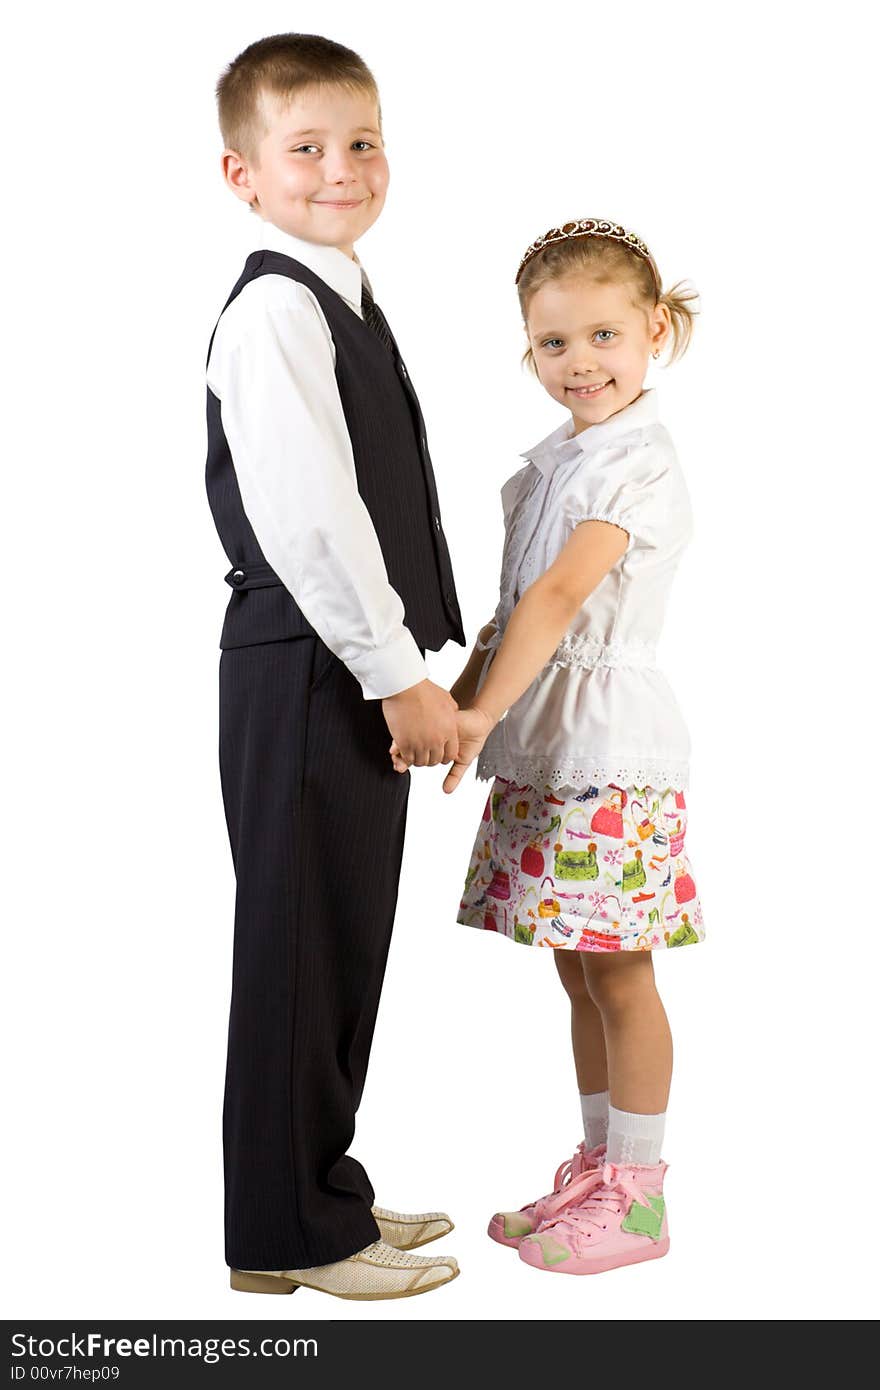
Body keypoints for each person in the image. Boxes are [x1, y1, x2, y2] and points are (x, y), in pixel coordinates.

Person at [392, 217, 704, 1277]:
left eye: (604, 336)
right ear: (528, 349)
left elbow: (568, 595)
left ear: (654, 331)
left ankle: (642, 1194)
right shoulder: (552, 463)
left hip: (606, 748)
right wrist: (464, 702)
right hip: (548, 739)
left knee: (619, 970)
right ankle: (598, 1161)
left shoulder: (637, 462)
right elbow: (511, 610)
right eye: (554, 343)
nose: (580, 363)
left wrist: (481, 714)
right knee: (577, 969)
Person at [205, 33, 466, 1300]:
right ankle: (289, 1234)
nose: (341, 167)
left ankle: (319, 1192)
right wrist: (394, 673)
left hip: (338, 668)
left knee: (336, 938)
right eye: (303, 146)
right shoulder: (272, 308)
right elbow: (312, 517)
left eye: (361, 141)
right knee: (299, 942)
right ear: (241, 173)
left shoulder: (340, 288)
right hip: (310, 668)